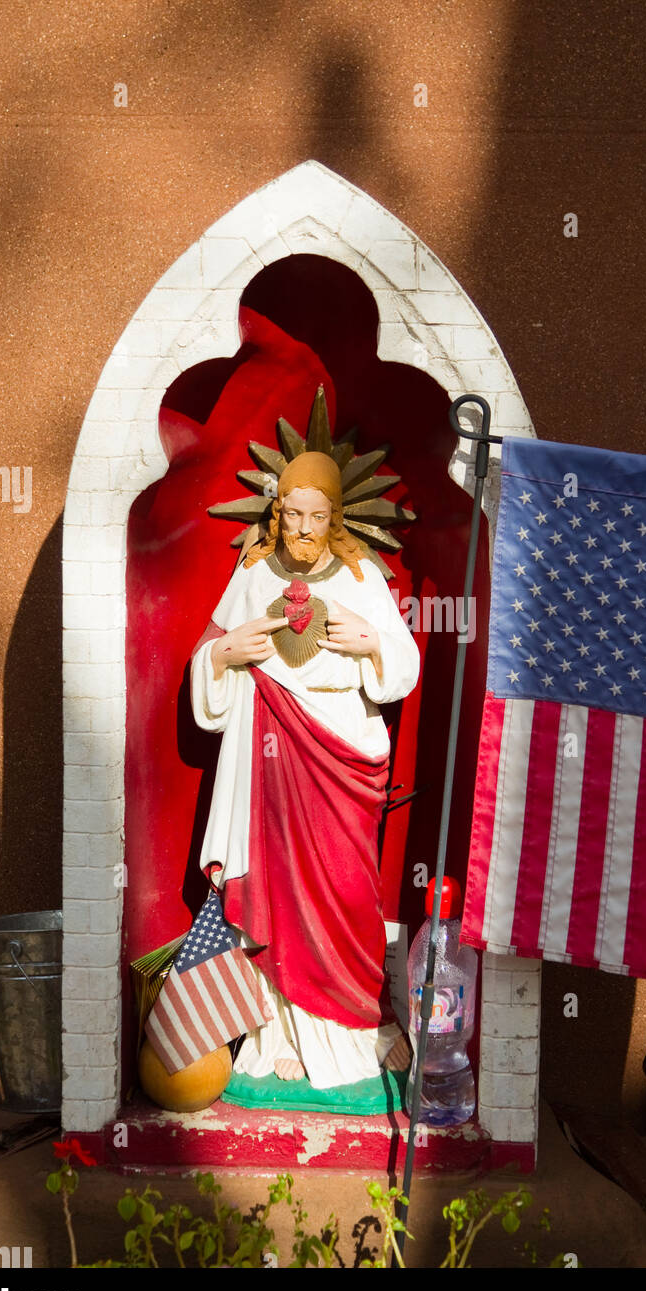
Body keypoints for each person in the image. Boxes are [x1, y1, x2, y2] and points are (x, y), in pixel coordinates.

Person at [189, 450, 420, 1091]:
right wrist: (224, 654)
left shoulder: (360, 576)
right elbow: (206, 659)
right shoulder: (254, 575)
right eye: (292, 513)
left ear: (336, 515)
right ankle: (282, 1034)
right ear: (277, 514)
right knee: (275, 891)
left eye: (317, 514)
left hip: (342, 760)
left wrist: (371, 641)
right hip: (268, 760)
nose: (304, 526)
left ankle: (361, 1025)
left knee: (347, 893)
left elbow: (402, 664)